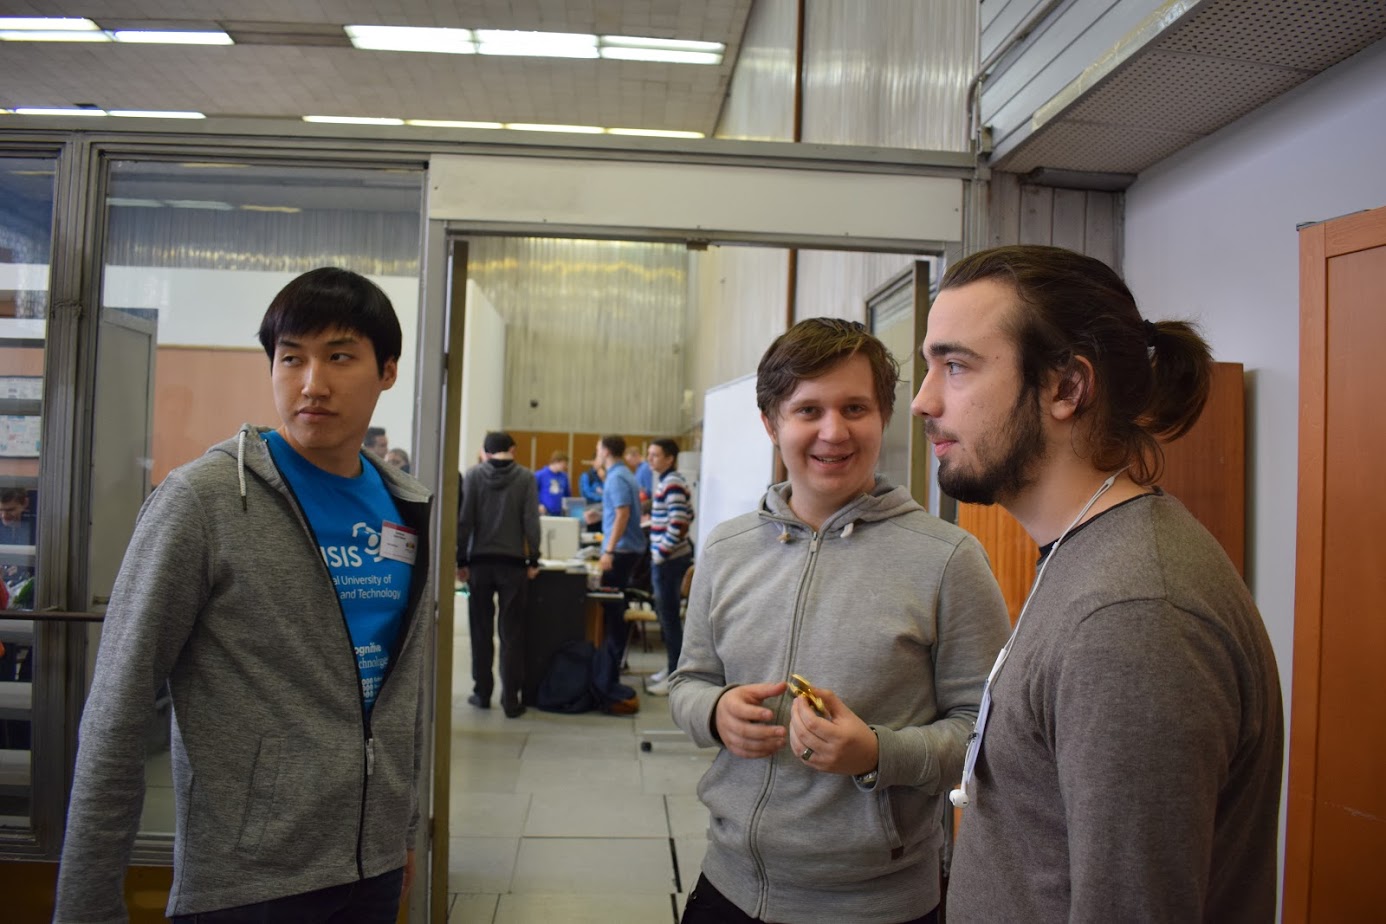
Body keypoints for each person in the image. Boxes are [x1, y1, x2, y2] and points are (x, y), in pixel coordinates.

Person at [55, 267, 433, 923]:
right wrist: (85, 906)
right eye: (291, 358)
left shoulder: (406, 507)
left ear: (388, 371)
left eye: (340, 357)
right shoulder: (203, 502)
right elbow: (117, 710)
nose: (312, 383)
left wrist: (399, 835)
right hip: (246, 882)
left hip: (371, 870)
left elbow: (404, 696)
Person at [918, 245, 1283, 923]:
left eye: (956, 366)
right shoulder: (1089, 558)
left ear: (1067, 388)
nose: (923, 400)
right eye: (928, 366)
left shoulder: (1132, 618)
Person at [668, 318, 1010, 924]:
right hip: (729, 886)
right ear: (771, 423)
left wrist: (878, 752)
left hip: (880, 904)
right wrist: (715, 712)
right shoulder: (725, 549)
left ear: (883, 417)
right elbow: (688, 682)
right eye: (808, 410)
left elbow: (989, 738)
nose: (833, 432)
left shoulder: (948, 559)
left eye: (855, 408)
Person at [456, 431, 541, 718]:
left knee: (480, 631)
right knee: (511, 633)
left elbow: (465, 520)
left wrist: (461, 559)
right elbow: (531, 520)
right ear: (513, 449)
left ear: (486, 451)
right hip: (513, 566)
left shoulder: (473, 475)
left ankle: (482, 693)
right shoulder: (526, 477)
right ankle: (510, 699)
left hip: (479, 564)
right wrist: (534, 557)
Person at [593, 435, 648, 706]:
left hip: (622, 551)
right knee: (616, 610)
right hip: (627, 549)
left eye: (598, 449)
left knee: (614, 614)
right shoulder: (624, 474)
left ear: (605, 451)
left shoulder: (616, 477)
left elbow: (623, 514)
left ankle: (610, 674)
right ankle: (611, 667)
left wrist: (608, 551)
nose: (596, 453)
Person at [643, 438, 692, 696]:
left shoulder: (672, 482)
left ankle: (675, 677)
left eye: (655, 455)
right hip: (670, 560)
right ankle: (672, 668)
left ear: (669, 458)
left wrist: (660, 554)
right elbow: (689, 514)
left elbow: (680, 522)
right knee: (666, 619)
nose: (649, 459)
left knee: (670, 620)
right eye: (649, 454)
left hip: (669, 562)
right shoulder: (669, 481)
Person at [534, 451, 570, 516]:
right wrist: (537, 505)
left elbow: (567, 495)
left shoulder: (564, 477)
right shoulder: (540, 475)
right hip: (544, 513)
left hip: (560, 513)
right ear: (556, 462)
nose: (565, 466)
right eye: (564, 464)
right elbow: (531, 493)